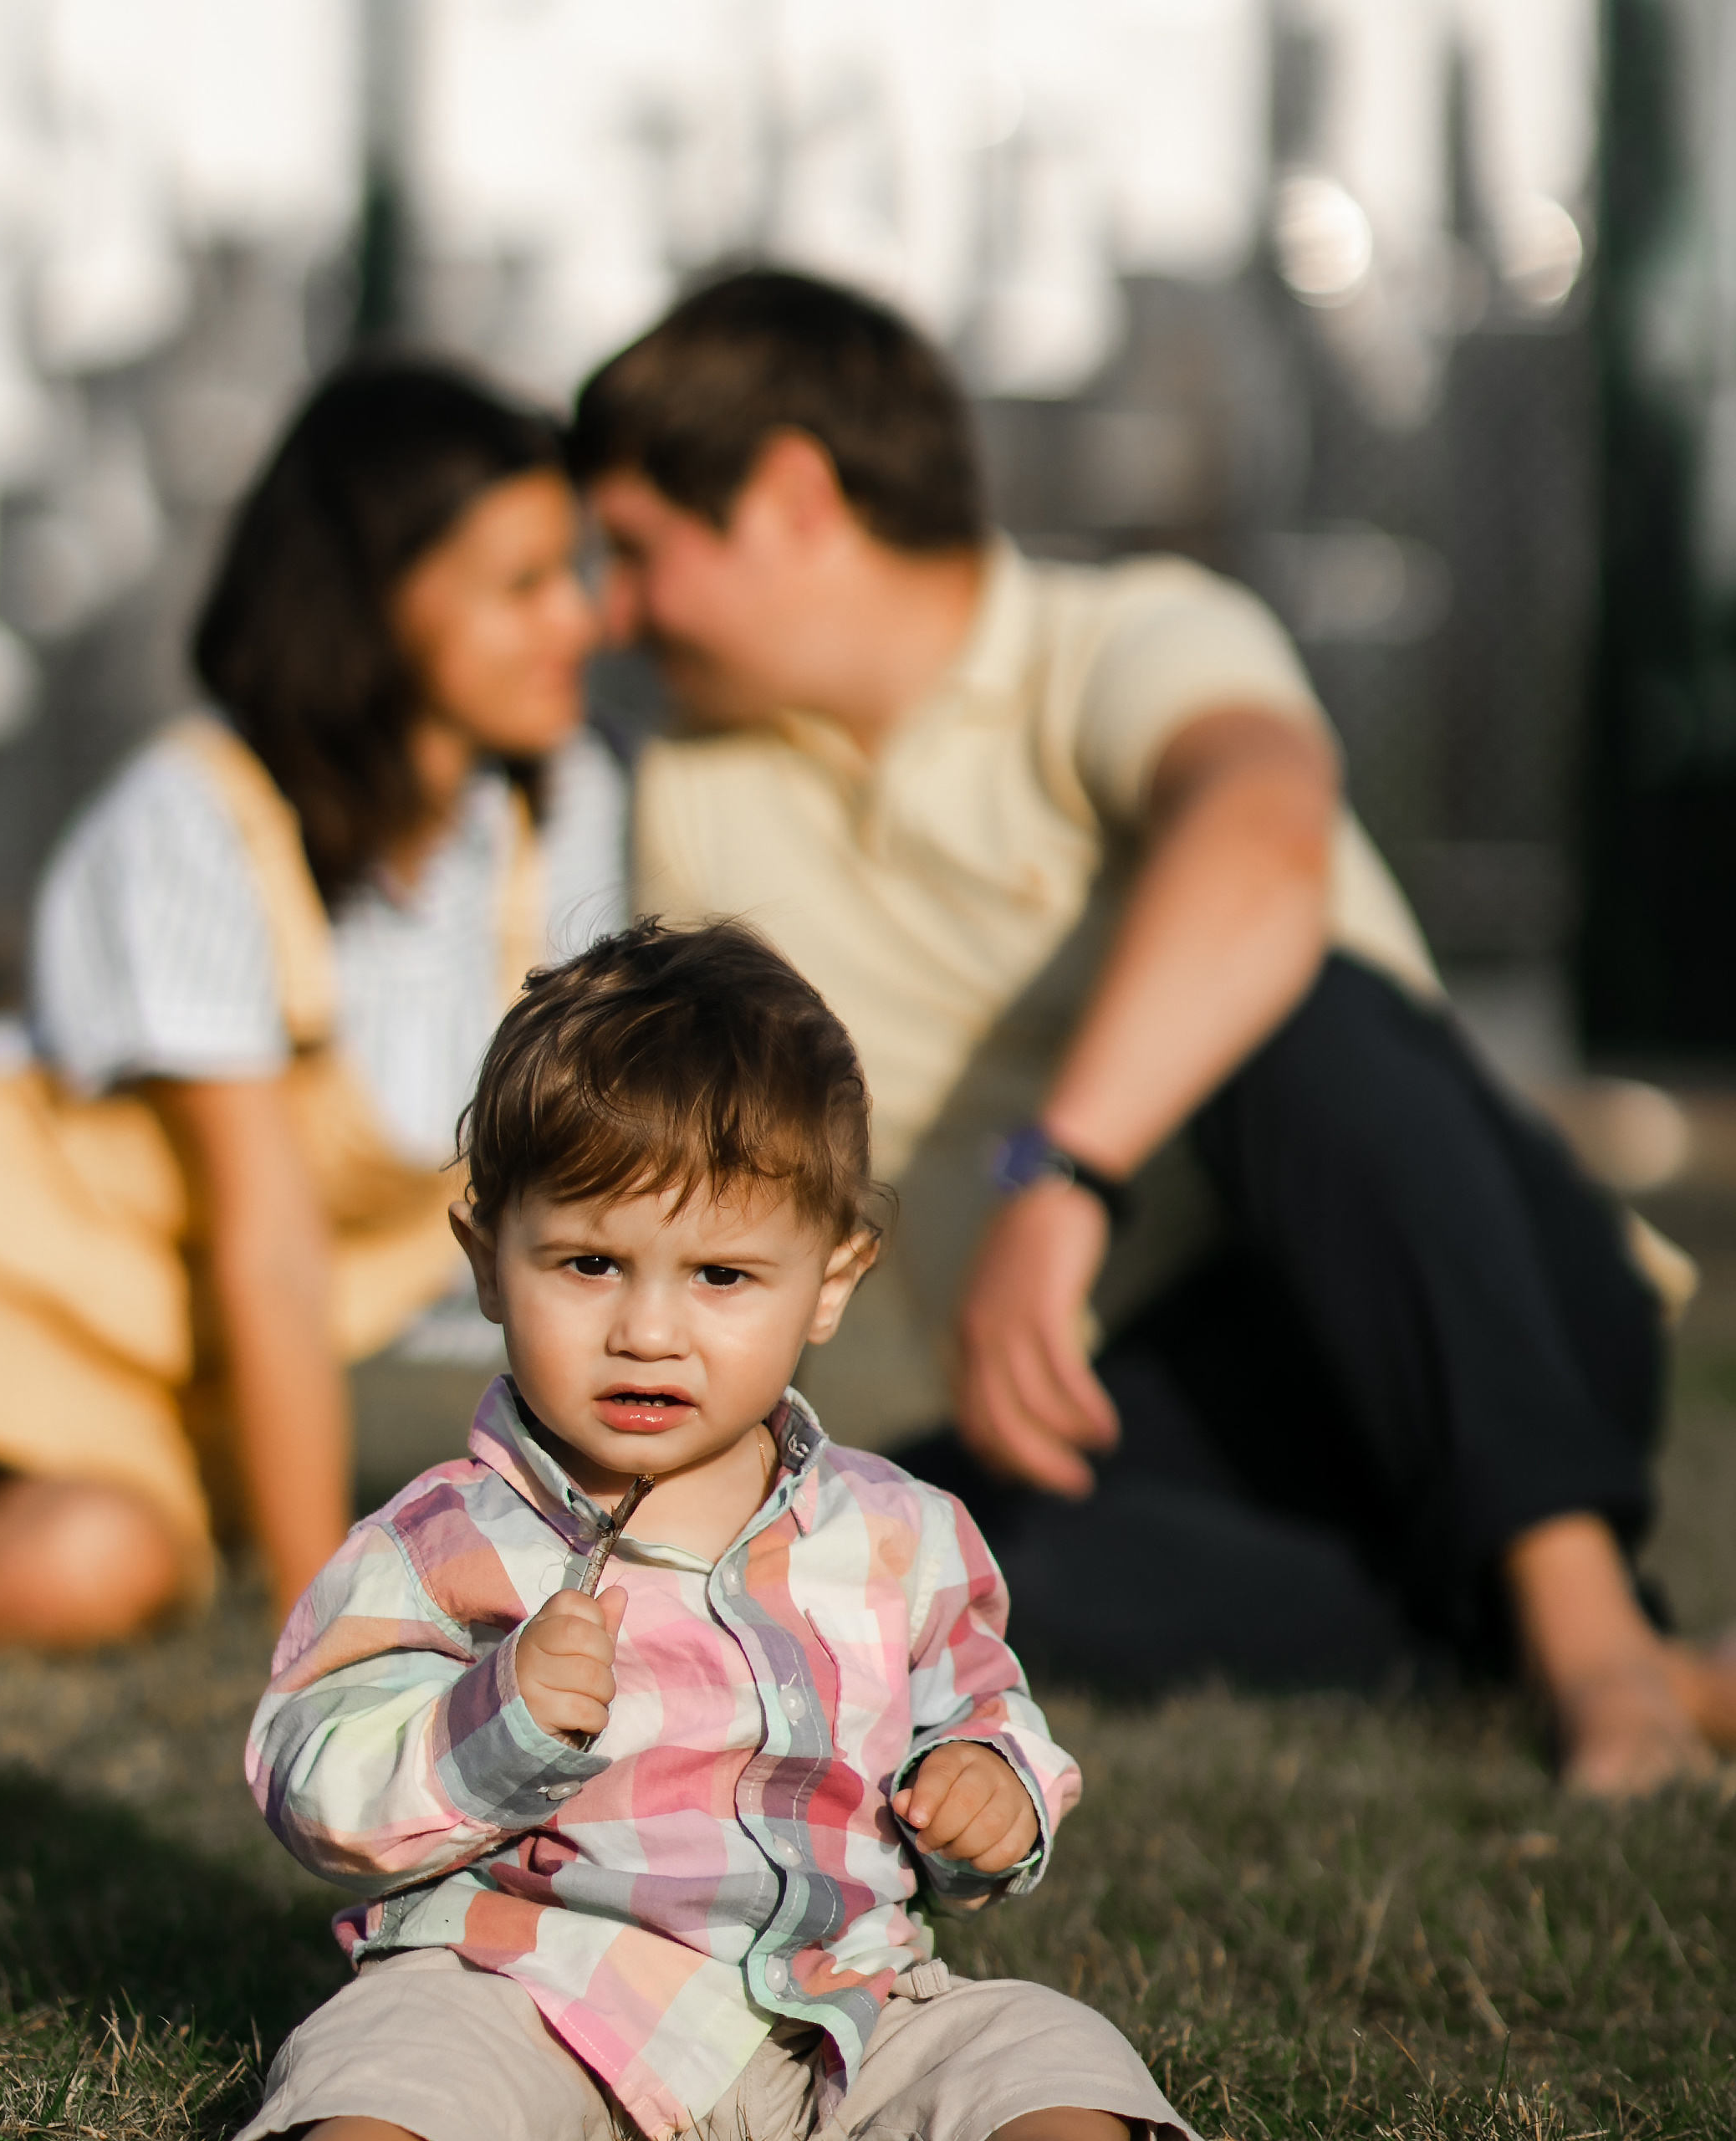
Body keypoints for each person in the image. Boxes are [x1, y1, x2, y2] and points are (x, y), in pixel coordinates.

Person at [567, 268, 1736, 1799]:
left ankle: (1590, 1645)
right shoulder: (692, 794)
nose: (614, 610)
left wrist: (1064, 1176)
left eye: (641, 551)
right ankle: (1563, 1640)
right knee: (911, 1550)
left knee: (1299, 1008)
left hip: (1479, 1307)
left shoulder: (1124, 634)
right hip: (1136, 1402)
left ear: (792, 496)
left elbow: (1263, 838)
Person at [0, 359, 623, 1653]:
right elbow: (268, 1248)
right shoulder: (197, 815)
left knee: (99, 1569)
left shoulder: (565, 806)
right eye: (524, 584)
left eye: (574, 572)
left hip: (129, 1383)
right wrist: (336, 1631)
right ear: (374, 598)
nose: (583, 619)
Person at [237, 919, 1195, 2141]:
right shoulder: (447, 1540)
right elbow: (311, 1774)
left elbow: (979, 1704)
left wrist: (990, 1786)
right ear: (487, 1262)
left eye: (722, 1277)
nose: (648, 1329)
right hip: (529, 1998)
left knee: (1049, 2059)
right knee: (389, 2076)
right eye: (589, 1263)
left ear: (832, 1282)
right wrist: (492, 1719)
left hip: (838, 2011)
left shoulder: (903, 1537)